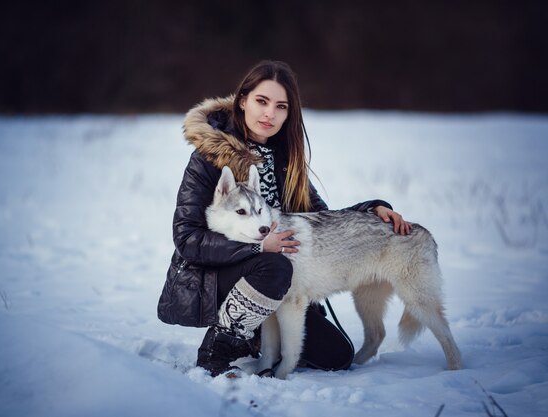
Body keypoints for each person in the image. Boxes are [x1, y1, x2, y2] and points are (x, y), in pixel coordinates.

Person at [157, 60, 412, 378]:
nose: (269, 114)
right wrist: (259, 248)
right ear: (243, 101)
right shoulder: (208, 158)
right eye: (262, 101)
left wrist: (372, 208)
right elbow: (186, 238)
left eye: (281, 106)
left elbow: (323, 219)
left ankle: (256, 334)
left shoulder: (284, 162)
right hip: (212, 277)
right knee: (276, 263)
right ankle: (220, 347)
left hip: (280, 283)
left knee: (336, 356)